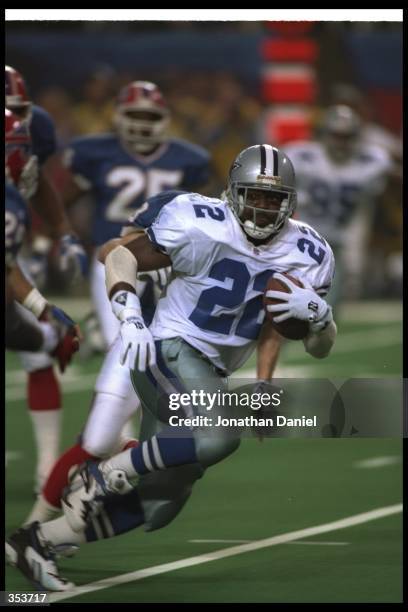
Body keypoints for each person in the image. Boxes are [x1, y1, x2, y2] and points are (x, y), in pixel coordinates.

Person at [7, 144, 337, 591]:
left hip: (211, 369)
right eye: (253, 196)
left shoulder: (309, 251)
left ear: (289, 202)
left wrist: (319, 316)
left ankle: (37, 540)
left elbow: (320, 347)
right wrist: (130, 315)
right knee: (219, 435)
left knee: (160, 503)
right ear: (232, 193)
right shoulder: (201, 222)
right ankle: (104, 473)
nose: (261, 208)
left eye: (272, 199)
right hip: (170, 345)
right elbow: (119, 256)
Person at [22, 80, 211, 522]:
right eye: (137, 116)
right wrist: (55, 236)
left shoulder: (190, 162)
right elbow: (62, 200)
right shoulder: (94, 152)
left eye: (151, 117)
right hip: (113, 262)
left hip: (164, 265)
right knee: (124, 347)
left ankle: (110, 450)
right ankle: (109, 450)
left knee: (156, 348)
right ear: (120, 118)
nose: (143, 126)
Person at [6, 65, 88, 493]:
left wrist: (63, 233)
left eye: (18, 113)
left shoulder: (30, 136)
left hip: (12, 255)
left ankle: (46, 469)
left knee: (35, 349)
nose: (15, 124)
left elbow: (33, 184)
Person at [284, 104, 392, 311]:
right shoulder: (302, 156)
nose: (341, 142)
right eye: (336, 135)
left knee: (328, 309)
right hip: (300, 238)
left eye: (347, 136)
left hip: (338, 243)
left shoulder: (370, 162)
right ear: (324, 134)